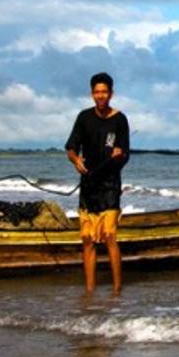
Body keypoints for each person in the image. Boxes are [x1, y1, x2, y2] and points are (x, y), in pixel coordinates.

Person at [65, 72, 130, 294]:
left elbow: (125, 154)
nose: (100, 96)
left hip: (110, 186)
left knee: (110, 237)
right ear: (92, 94)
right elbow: (71, 148)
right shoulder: (84, 117)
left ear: (111, 93)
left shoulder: (120, 119)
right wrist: (76, 161)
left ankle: (117, 290)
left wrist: (120, 155)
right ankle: (90, 291)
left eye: (104, 92)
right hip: (88, 185)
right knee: (88, 240)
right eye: (96, 92)